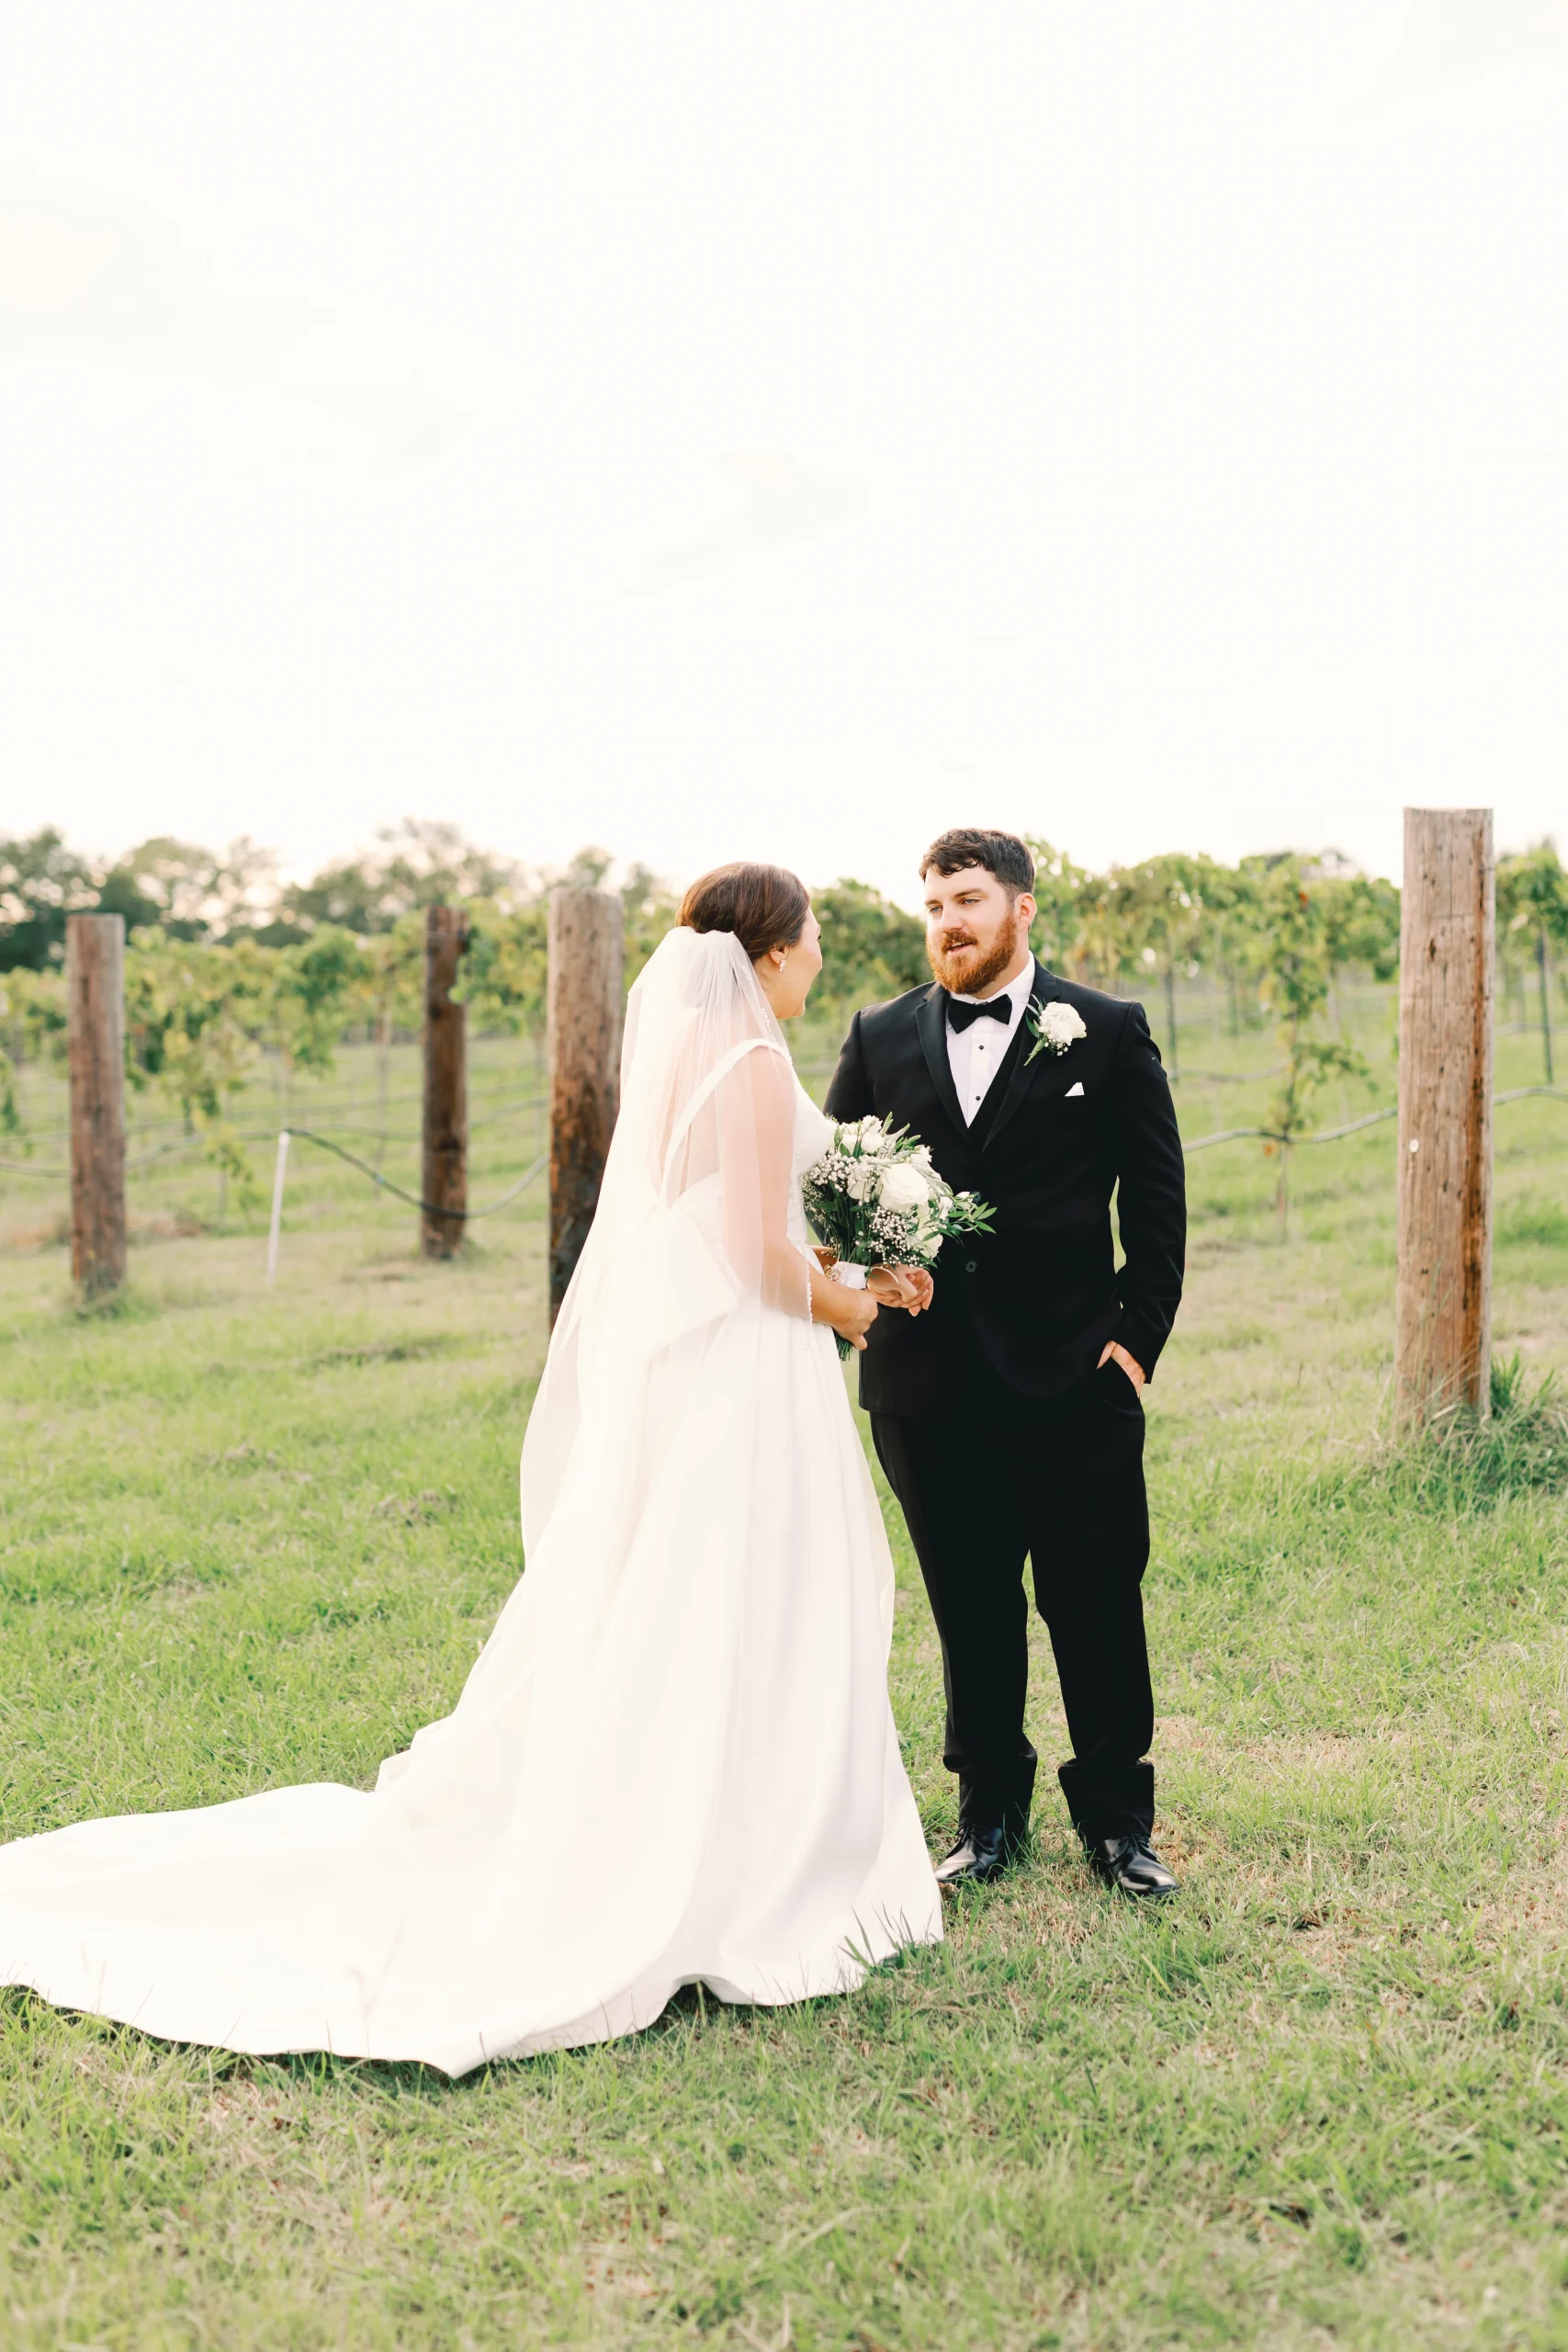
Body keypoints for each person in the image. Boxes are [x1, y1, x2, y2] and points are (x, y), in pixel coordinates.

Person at [0, 865, 941, 2074]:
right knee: (751, 1599)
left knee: (694, 1601)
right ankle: (747, 1870)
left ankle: (703, 1829)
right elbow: (759, 1262)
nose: (818, 956)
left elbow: (712, 1223)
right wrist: (850, 1309)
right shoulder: (752, 1067)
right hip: (754, 1376)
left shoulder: (686, 1074)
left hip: (706, 1379)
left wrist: (839, 1260)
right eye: (809, 937)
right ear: (767, 955)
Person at [825, 828, 1187, 1897]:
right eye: (934, 906)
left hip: (1078, 1376)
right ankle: (987, 1819)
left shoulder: (1107, 1031)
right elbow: (830, 1185)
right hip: (926, 1387)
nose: (949, 924)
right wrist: (861, 1281)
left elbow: (1157, 1205)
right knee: (968, 1607)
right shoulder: (879, 1035)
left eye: (969, 900)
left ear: (1023, 907)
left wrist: (1137, 1344)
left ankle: (1121, 1824)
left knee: (1095, 1603)